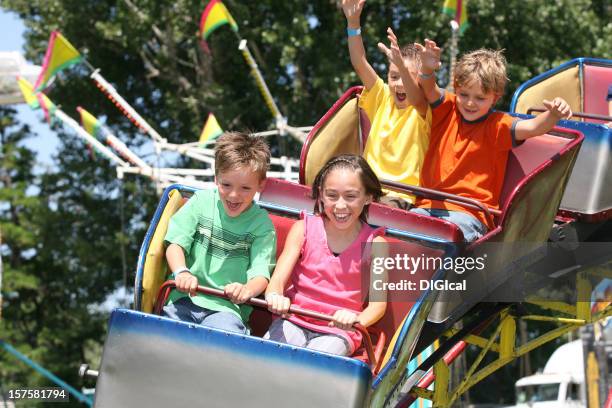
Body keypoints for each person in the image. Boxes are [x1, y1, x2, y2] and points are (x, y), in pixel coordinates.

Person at [398, 40, 572, 242]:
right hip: (427, 207)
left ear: (495, 98)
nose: (470, 103)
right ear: (456, 89)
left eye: (480, 98)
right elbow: (428, 87)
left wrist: (553, 114)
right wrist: (427, 68)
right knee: (389, 236)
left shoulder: (497, 126)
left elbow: (533, 127)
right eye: (464, 95)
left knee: (441, 242)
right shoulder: (446, 109)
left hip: (469, 214)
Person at [264, 155, 388, 356]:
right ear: (321, 195)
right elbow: (276, 281)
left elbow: (377, 306)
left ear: (368, 197)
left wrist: (357, 321)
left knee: (319, 362)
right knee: (270, 355)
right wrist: (275, 296)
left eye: (350, 196)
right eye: (332, 195)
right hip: (294, 318)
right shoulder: (302, 228)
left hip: (340, 330)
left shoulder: (376, 246)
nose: (340, 206)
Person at [162, 132, 277, 334]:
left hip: (226, 309)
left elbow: (261, 273)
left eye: (245, 188)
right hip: (184, 298)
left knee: (225, 338)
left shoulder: (262, 225)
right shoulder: (200, 202)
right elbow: (176, 244)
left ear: (261, 185)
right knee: (165, 334)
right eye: (226, 185)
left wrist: (246, 290)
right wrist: (182, 271)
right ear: (216, 178)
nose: (234, 195)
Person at [341, 0, 431, 210]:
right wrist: (353, 23)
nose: (399, 84)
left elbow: (418, 95)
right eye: (394, 76)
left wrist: (400, 64)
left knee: (373, 210)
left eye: (406, 77)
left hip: (401, 197)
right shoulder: (381, 96)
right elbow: (359, 62)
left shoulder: (423, 110)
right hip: (366, 190)